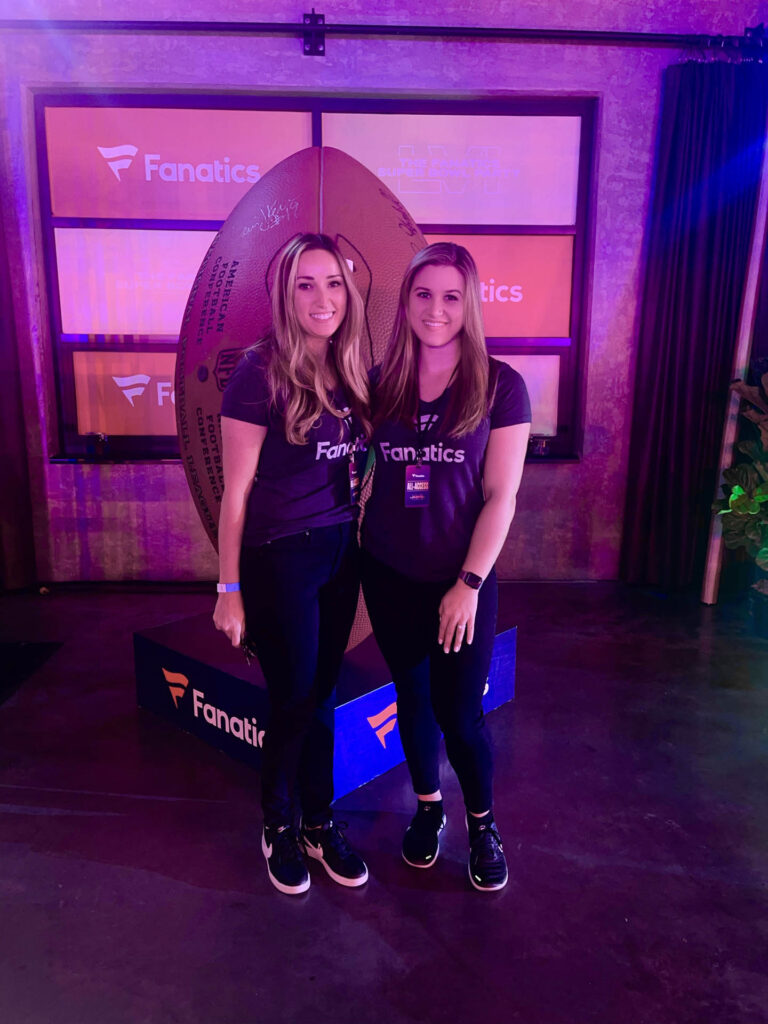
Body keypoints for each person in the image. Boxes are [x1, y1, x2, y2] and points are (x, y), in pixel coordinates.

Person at [361, 242, 531, 892]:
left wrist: (468, 584)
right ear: (406, 301)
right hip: (388, 571)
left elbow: (501, 497)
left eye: (451, 296)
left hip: (462, 581)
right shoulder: (381, 382)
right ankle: (429, 810)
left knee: (461, 714)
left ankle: (483, 824)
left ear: (470, 304)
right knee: (412, 697)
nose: (436, 309)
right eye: (424, 294)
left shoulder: (500, 385)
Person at [214, 232, 370, 895]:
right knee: (295, 696)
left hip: (341, 553)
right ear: (285, 294)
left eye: (332, 282)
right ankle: (277, 824)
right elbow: (237, 492)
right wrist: (228, 587)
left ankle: (319, 822)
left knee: (324, 695)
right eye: (306, 284)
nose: (322, 297)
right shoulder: (258, 373)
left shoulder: (357, 367)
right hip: (280, 557)